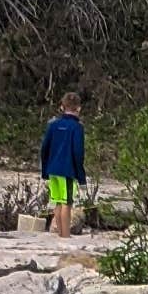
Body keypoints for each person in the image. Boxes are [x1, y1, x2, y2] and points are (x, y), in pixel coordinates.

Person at [39, 89, 86, 233]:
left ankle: (60, 233)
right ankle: (65, 235)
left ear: (62, 106)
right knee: (67, 203)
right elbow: (78, 152)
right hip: (67, 170)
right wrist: (81, 176)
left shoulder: (53, 125)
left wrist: (45, 171)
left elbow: (44, 149)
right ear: (78, 108)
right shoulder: (77, 127)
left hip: (52, 169)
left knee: (58, 202)